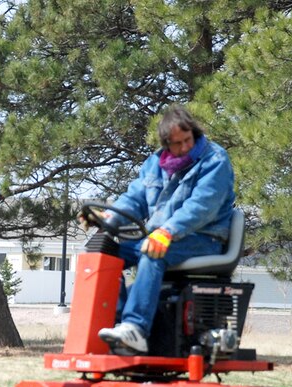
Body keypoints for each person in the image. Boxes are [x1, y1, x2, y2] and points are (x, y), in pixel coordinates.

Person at [97, 104, 235, 355]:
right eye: (177, 143)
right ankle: (114, 322)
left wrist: (168, 231)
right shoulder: (154, 164)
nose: (184, 147)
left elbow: (202, 207)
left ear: (194, 133)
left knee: (153, 251)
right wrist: (109, 217)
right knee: (106, 254)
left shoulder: (215, 160)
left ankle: (135, 329)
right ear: (165, 143)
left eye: (188, 140)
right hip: (162, 236)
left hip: (203, 238)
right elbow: (135, 198)